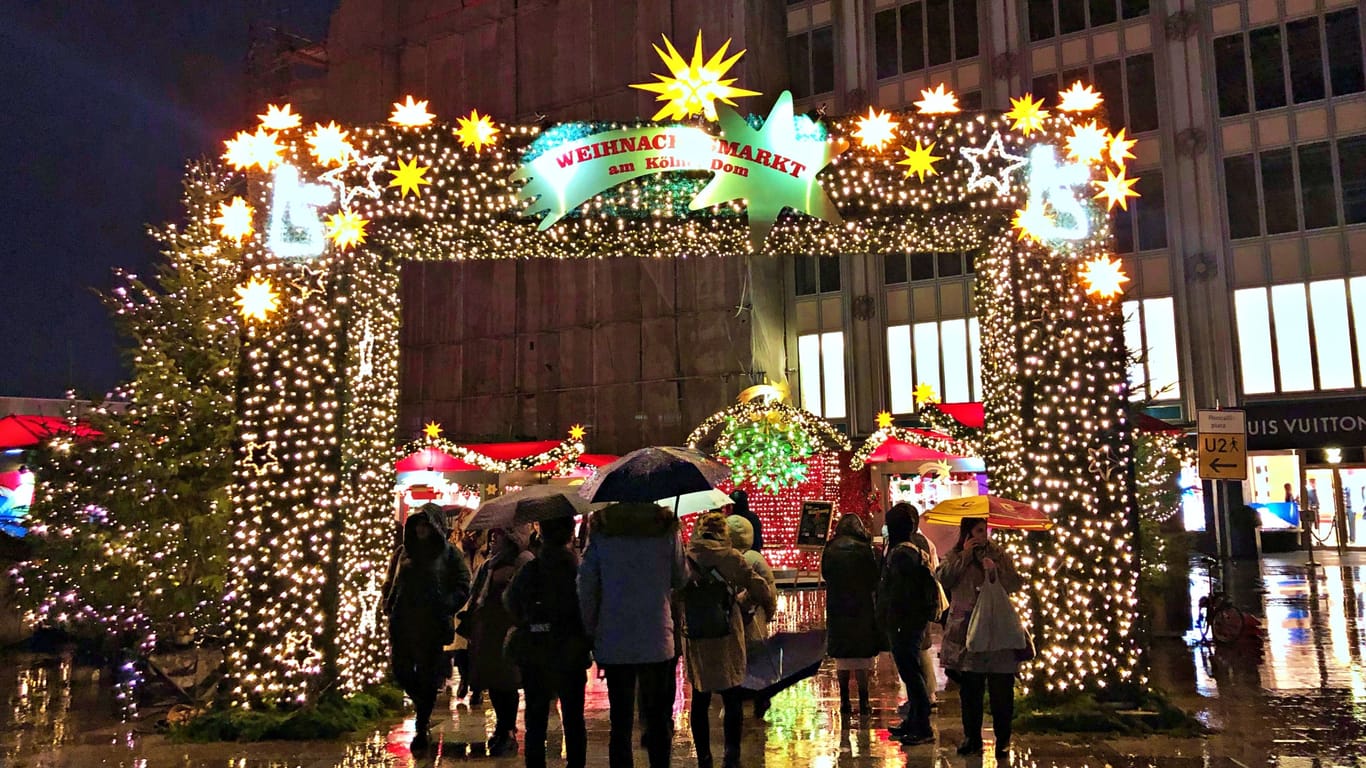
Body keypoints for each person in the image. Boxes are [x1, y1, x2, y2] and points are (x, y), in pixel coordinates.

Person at [579, 502, 687, 768]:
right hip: (656, 636)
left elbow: (587, 584)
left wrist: (590, 627)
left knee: (621, 721)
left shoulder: (603, 529)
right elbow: (680, 577)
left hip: (614, 635)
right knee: (658, 719)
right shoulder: (665, 528)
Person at [683, 511, 774, 768]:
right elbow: (761, 588)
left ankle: (704, 758)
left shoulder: (686, 558)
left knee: (700, 698)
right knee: (732, 694)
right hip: (727, 634)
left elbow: (675, 592)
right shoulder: (732, 558)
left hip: (697, 635)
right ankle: (731, 755)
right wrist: (745, 602)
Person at [382, 504, 472, 753]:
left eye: (426, 524)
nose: (421, 529)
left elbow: (463, 584)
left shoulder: (448, 554)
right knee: (401, 670)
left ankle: (422, 726)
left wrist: (447, 604)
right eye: (418, 524)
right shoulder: (403, 551)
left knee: (427, 673)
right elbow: (392, 579)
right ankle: (423, 703)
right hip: (403, 621)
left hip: (431, 623)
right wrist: (387, 600)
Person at [504, 516, 591, 768]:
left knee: (536, 716)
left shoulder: (531, 569)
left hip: (536, 648)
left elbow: (511, 601)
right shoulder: (577, 570)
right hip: (571, 649)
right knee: (574, 717)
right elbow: (588, 607)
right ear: (568, 534)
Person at [938, 517, 1022, 758]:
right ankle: (972, 737)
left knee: (1001, 690)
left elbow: (1015, 584)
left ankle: (1003, 739)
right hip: (967, 632)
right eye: (978, 530)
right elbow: (944, 579)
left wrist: (996, 570)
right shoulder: (955, 555)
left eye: (986, 530)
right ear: (967, 532)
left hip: (996, 632)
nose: (983, 535)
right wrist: (965, 556)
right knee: (970, 690)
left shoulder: (999, 554)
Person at [467, 525, 534, 756]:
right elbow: (476, 594)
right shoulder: (490, 563)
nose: (494, 540)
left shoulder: (523, 561)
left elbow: (526, 595)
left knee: (508, 681)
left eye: (499, 536)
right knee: (494, 681)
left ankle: (507, 728)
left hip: (509, 627)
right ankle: (502, 726)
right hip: (489, 629)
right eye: (492, 536)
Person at [877, 503, 941, 746]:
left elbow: (900, 594)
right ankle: (914, 721)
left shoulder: (902, 554)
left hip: (904, 622)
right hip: (910, 622)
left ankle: (922, 725)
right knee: (911, 671)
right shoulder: (913, 549)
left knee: (912, 674)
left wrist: (892, 618)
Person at [819, 514, 882, 716]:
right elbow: (874, 577)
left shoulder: (830, 549)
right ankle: (864, 701)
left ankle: (845, 700)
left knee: (842, 656)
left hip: (838, 606)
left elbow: (826, 574)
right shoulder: (866, 549)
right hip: (861, 606)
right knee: (862, 656)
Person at [725, 514, 778, 719]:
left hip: (738, 620)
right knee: (757, 660)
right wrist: (769, 613)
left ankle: (743, 696)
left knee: (740, 659)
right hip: (757, 620)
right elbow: (769, 591)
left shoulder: (728, 559)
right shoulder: (756, 558)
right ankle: (760, 697)